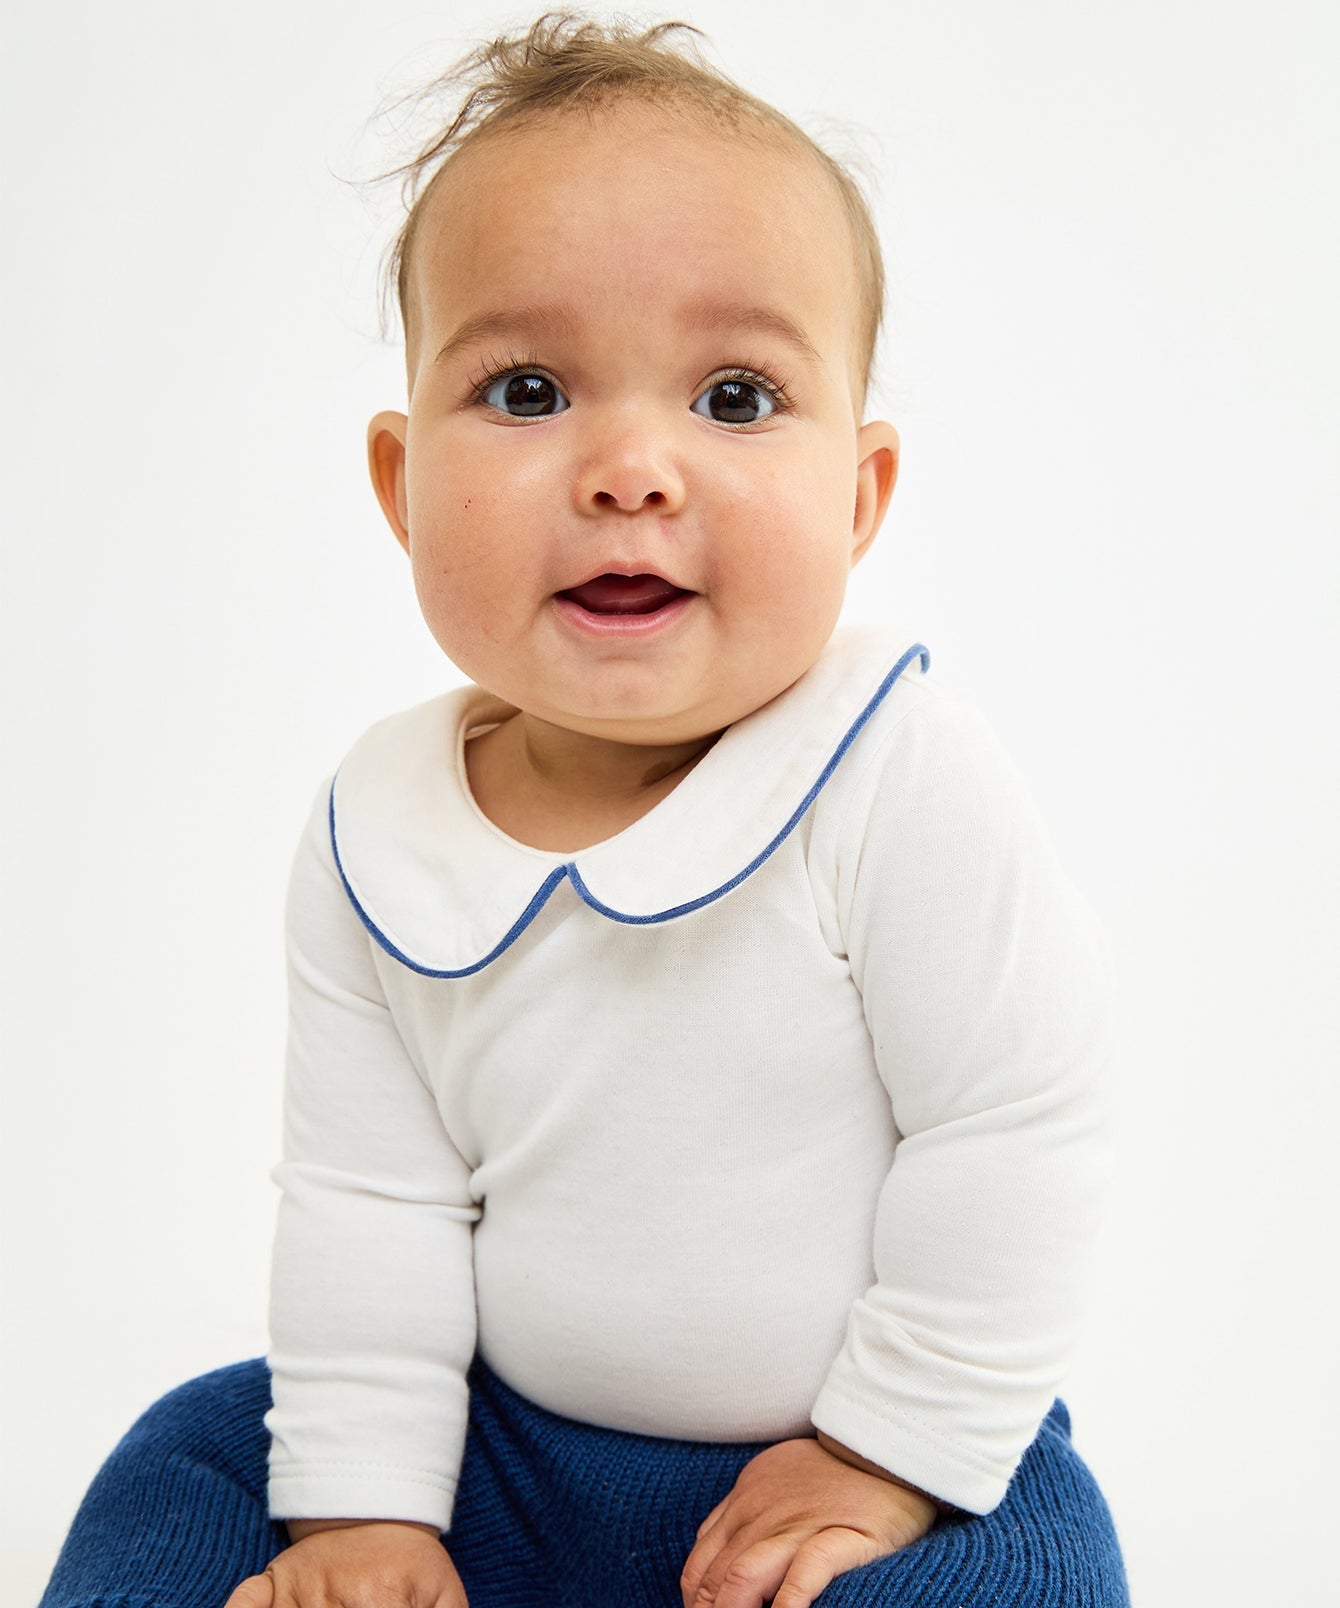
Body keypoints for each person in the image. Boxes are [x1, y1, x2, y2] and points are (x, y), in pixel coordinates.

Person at [40, 14, 1129, 1608]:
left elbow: (1018, 1124)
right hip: (504, 1463)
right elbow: (371, 1196)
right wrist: (364, 1513)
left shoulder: (894, 772)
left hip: (859, 1474)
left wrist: (888, 1452)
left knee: (1028, 1569)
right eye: (529, 387)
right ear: (400, 486)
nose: (630, 468)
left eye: (736, 397)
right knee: (195, 1455)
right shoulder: (379, 833)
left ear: (859, 495)